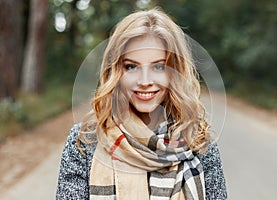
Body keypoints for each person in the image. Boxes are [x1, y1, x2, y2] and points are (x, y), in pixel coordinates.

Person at [56, 8, 227, 200]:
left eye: (158, 66)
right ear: (116, 72)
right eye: (131, 66)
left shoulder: (199, 143)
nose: (145, 80)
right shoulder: (84, 142)